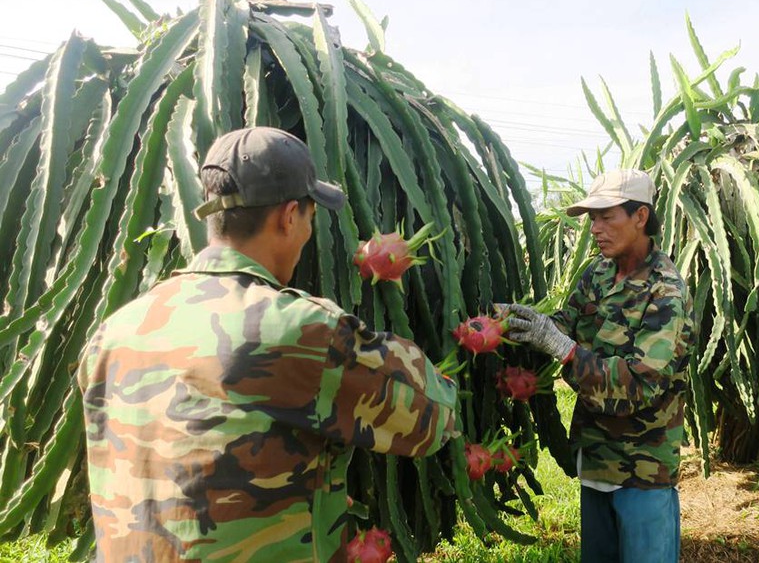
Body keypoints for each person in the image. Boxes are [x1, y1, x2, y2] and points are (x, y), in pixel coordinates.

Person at [78, 127, 458, 562]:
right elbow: (435, 416)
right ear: (289, 216)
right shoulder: (301, 330)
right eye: (311, 218)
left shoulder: (113, 331)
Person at [503, 168, 693, 563]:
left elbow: (638, 385)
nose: (596, 228)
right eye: (593, 218)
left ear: (640, 217)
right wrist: (513, 325)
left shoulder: (666, 291)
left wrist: (563, 348)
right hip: (595, 460)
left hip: (643, 472)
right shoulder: (598, 274)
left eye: (608, 216)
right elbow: (563, 324)